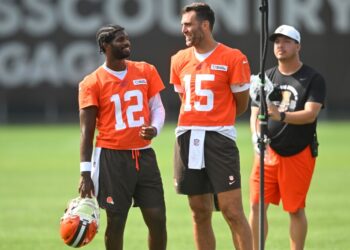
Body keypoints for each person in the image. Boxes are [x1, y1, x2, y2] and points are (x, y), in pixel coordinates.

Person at [170, 3, 253, 250]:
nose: (183, 29)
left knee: (232, 211)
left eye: (188, 24)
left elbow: (241, 104)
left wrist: (218, 117)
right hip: (187, 137)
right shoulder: (178, 59)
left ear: (205, 25)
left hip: (219, 139)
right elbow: (185, 100)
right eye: (182, 24)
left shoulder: (233, 57)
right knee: (199, 211)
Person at [78, 24, 167, 250]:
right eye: (120, 40)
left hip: (144, 155)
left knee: (157, 219)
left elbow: (157, 107)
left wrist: (155, 128)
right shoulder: (92, 82)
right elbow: (86, 132)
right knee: (116, 222)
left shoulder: (145, 70)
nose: (126, 43)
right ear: (105, 46)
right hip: (112, 158)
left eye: (127, 39)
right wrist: (85, 173)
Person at [249, 25, 326, 250]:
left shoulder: (312, 78)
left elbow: (310, 114)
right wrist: (255, 137)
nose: (280, 46)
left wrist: (280, 115)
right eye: (277, 42)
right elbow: (255, 111)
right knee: (256, 205)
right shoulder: (266, 76)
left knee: (295, 209)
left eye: (287, 41)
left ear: (298, 46)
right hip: (266, 152)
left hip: (298, 151)